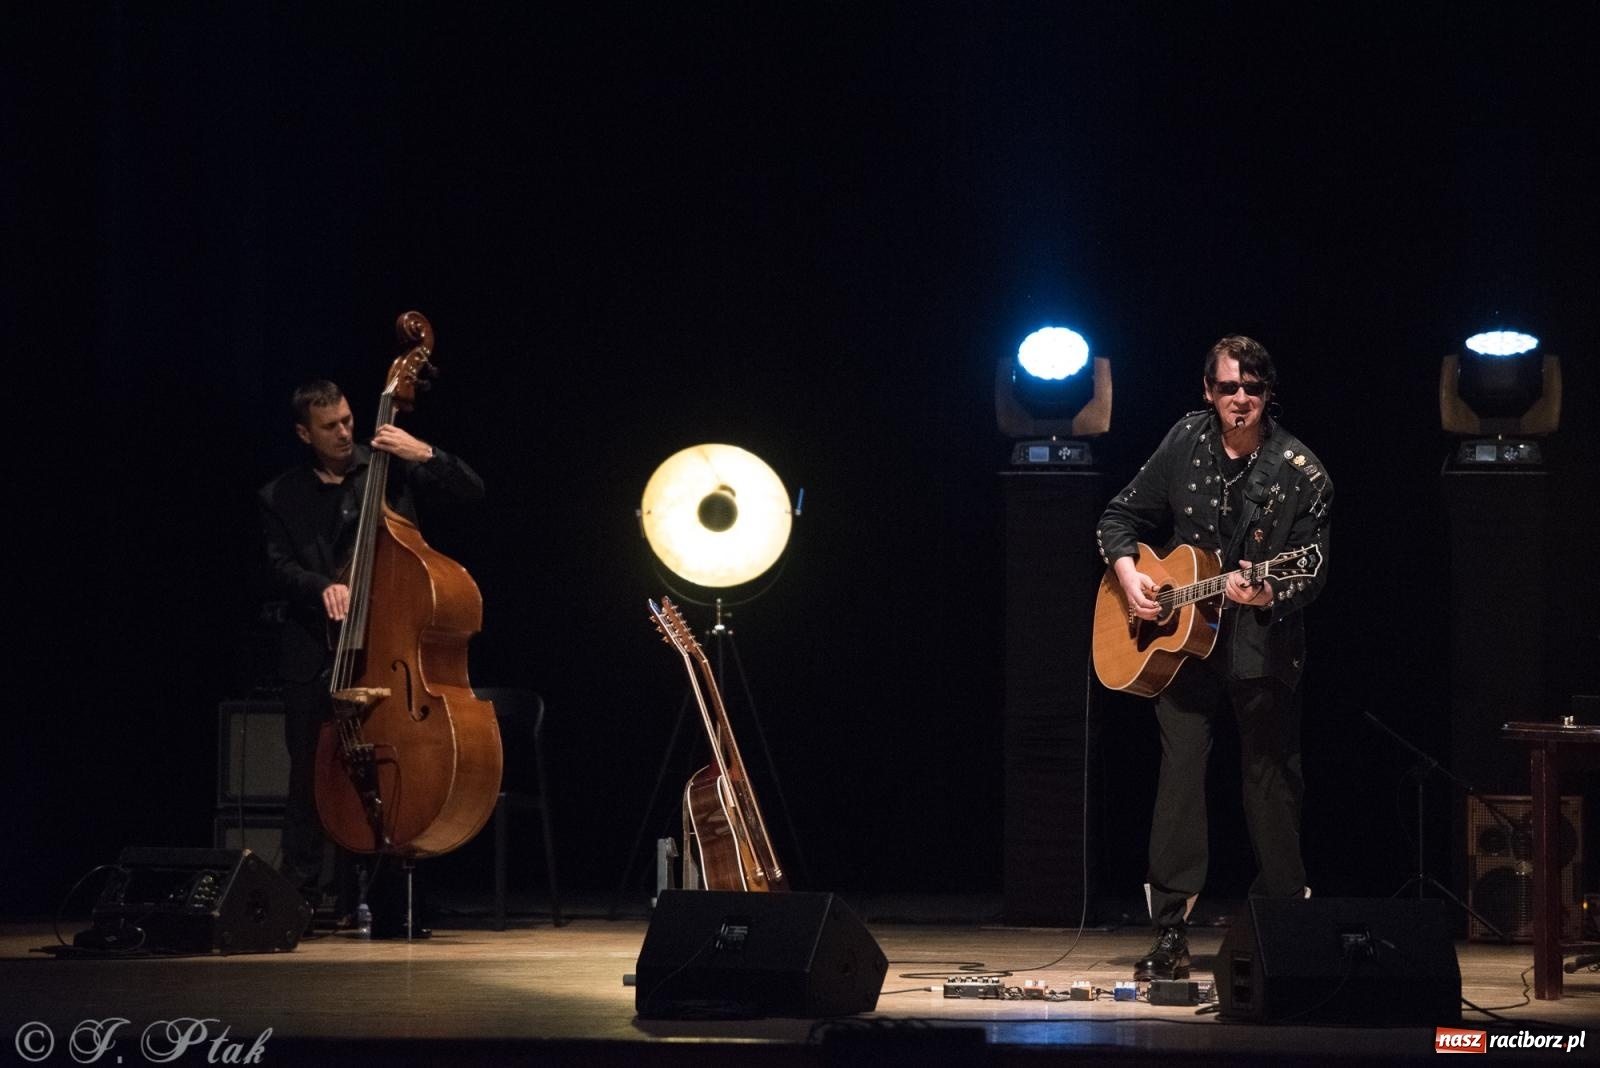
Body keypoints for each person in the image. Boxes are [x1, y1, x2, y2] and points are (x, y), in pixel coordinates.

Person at [1095, 335, 1332, 981]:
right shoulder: (1184, 441)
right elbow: (1119, 517)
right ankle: (1169, 931)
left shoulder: (1300, 473)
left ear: (1267, 393)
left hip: (1261, 648)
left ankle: (1285, 923)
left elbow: (1310, 571)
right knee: (1179, 779)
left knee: (1269, 780)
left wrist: (1266, 589)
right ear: (1209, 390)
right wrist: (1130, 574)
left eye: (1252, 390)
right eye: (1228, 388)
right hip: (1181, 649)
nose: (1240, 400)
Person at [258, 379, 485, 933]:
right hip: (316, 651)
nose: (344, 433)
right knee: (311, 780)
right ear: (302, 433)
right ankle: (301, 901)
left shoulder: (388, 464)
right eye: (329, 426)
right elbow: (275, 565)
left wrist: (424, 452)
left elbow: (473, 492)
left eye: (347, 420)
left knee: (390, 774)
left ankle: (389, 900)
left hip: (388, 650)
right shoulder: (279, 495)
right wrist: (319, 586)